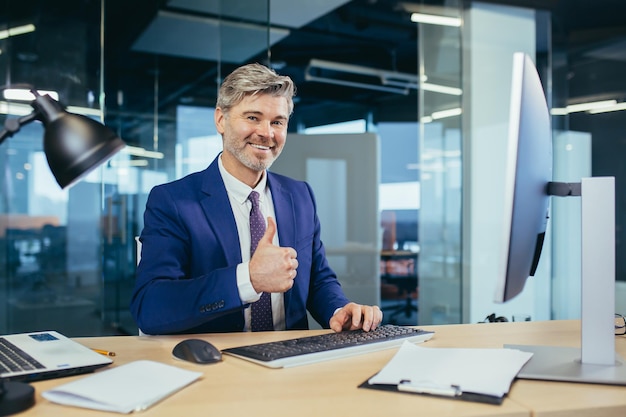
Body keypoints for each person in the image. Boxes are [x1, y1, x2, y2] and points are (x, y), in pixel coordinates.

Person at [130, 63, 383, 335]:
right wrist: (248, 279)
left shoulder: (300, 196)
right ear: (220, 120)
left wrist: (339, 310)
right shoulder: (173, 201)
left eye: (277, 122)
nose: (267, 133)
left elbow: (317, 281)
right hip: (217, 365)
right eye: (252, 118)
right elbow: (150, 306)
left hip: (291, 362)